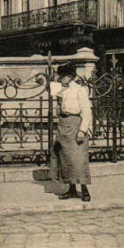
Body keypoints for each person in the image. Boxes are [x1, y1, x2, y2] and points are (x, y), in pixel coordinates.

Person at [51, 61, 92, 202]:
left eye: (61, 77)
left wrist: (82, 130)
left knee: (78, 159)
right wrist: (58, 102)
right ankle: (71, 189)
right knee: (66, 159)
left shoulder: (80, 90)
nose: (60, 80)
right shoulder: (62, 91)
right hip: (64, 125)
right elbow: (58, 112)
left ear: (68, 77)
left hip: (75, 124)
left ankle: (85, 190)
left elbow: (87, 111)